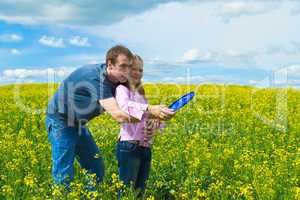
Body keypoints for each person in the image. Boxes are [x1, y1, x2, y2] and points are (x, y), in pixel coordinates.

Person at [45, 45, 174, 189]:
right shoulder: (96, 79)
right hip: (60, 119)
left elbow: (133, 105)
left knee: (96, 169)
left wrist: (155, 119)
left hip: (79, 123)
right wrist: (151, 111)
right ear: (110, 65)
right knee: (64, 172)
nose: (127, 72)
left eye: (129, 67)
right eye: (123, 66)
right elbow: (119, 115)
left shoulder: (119, 81)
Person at [115, 55, 166, 198]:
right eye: (133, 69)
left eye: (140, 70)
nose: (137, 72)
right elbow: (125, 108)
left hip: (145, 147)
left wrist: (158, 121)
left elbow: (147, 117)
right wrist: (150, 109)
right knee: (126, 192)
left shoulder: (141, 94)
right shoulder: (121, 89)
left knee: (139, 193)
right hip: (129, 146)